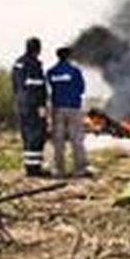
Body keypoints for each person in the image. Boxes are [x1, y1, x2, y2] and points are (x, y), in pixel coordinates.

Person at [45, 46, 89, 178]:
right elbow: (82, 89)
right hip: (74, 108)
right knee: (76, 139)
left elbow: (50, 88)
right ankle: (79, 170)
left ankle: (59, 170)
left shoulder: (51, 72)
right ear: (69, 56)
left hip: (58, 108)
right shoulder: (75, 71)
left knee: (58, 140)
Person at [10, 38, 49, 176]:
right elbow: (38, 88)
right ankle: (34, 168)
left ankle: (29, 166)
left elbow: (15, 85)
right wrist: (42, 106)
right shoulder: (33, 65)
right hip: (34, 106)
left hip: (21, 104)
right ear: (37, 49)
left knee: (26, 134)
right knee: (37, 134)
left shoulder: (18, 63)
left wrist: (19, 99)